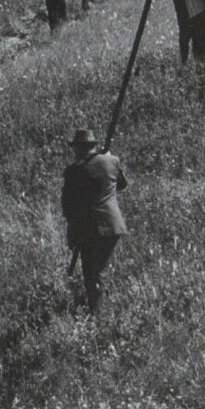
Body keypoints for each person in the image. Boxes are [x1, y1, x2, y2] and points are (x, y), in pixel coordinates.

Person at [60, 127, 130, 315]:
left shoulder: (73, 171)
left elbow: (67, 204)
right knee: (99, 271)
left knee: (92, 274)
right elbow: (122, 185)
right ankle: (99, 310)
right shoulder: (111, 161)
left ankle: (97, 315)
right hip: (113, 226)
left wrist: (73, 229)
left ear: (78, 148)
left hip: (89, 229)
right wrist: (109, 159)